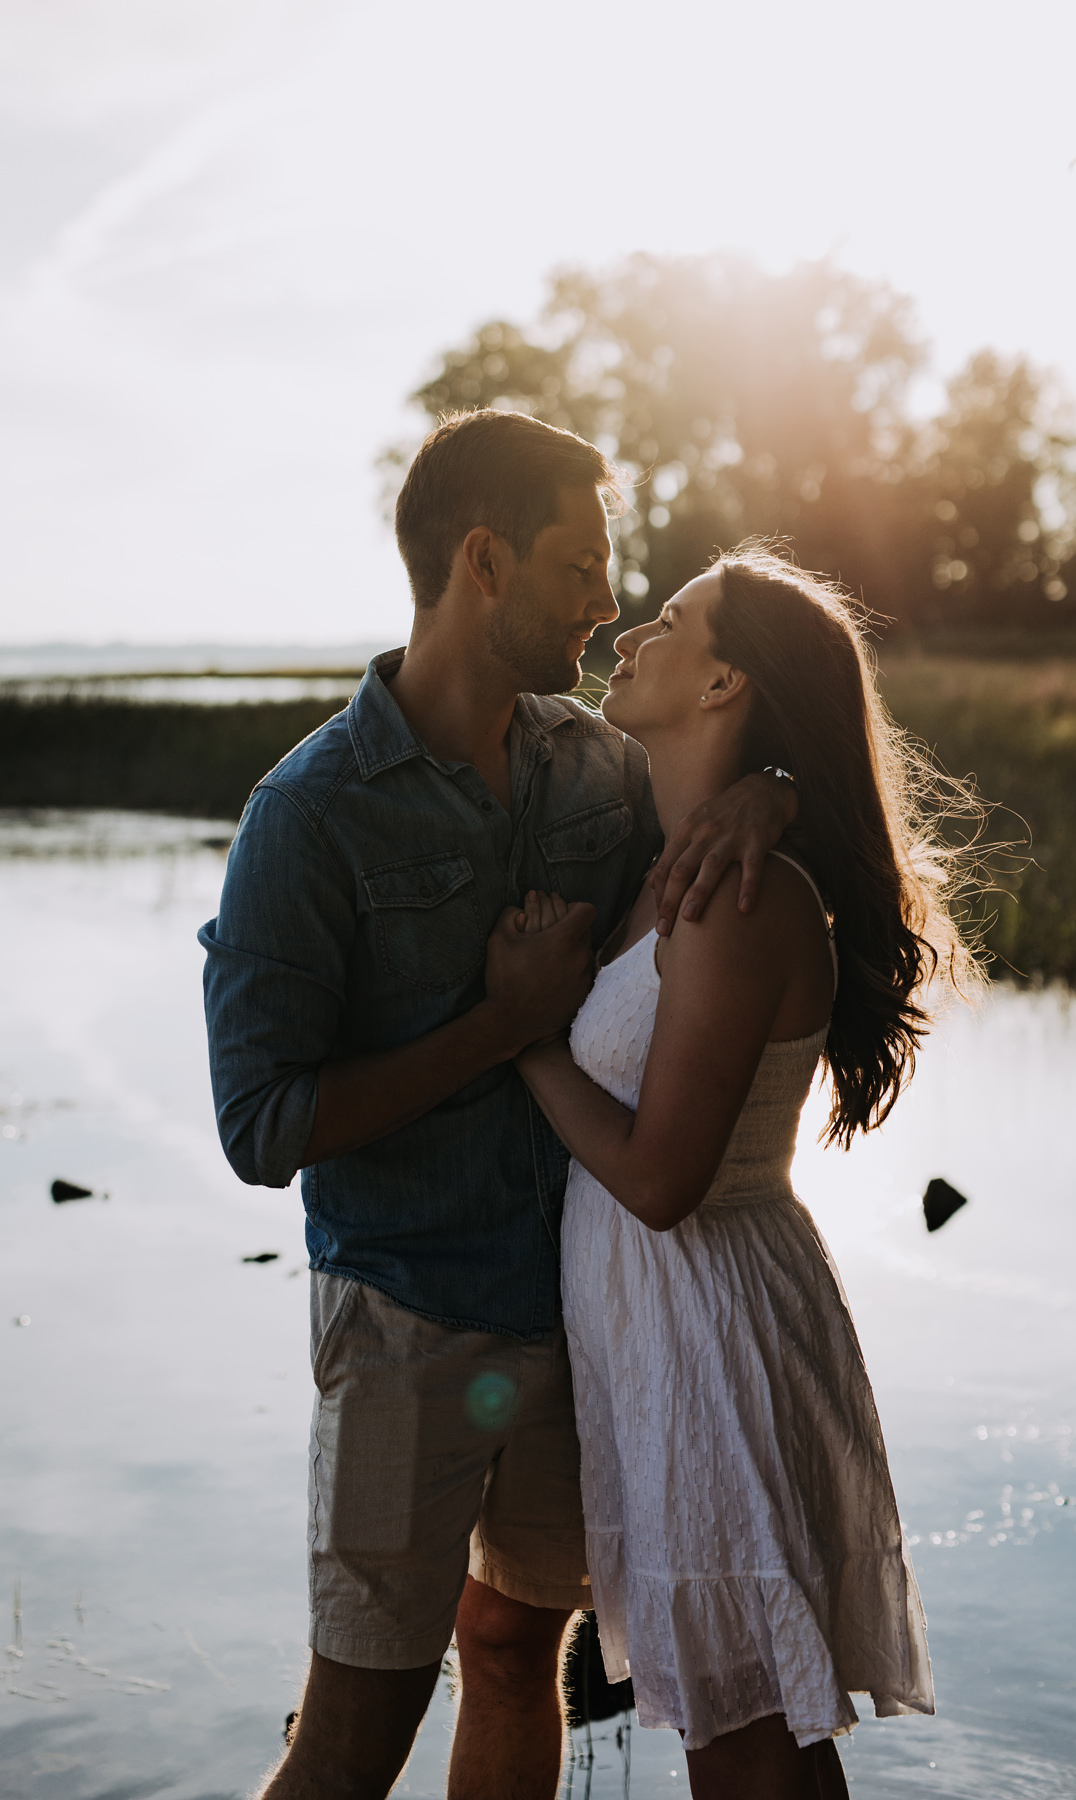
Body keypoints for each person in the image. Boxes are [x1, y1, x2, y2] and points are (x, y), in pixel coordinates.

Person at [198, 411, 799, 1800]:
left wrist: (771, 789)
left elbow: (729, 799)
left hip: (581, 1318)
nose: (606, 599)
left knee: (521, 1652)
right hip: (407, 1322)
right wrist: (504, 1027)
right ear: (483, 561)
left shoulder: (597, 769)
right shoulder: (309, 817)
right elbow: (260, 1127)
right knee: (353, 1733)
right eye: (579, 564)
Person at [515, 545, 983, 1799]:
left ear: (725, 681)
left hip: (704, 1324)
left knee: (748, 1740)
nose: (629, 637)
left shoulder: (738, 897)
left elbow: (663, 1180)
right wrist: (773, 781)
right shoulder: (681, 855)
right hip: (665, 1324)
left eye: (664, 622)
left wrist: (521, 1037)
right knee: (745, 1730)